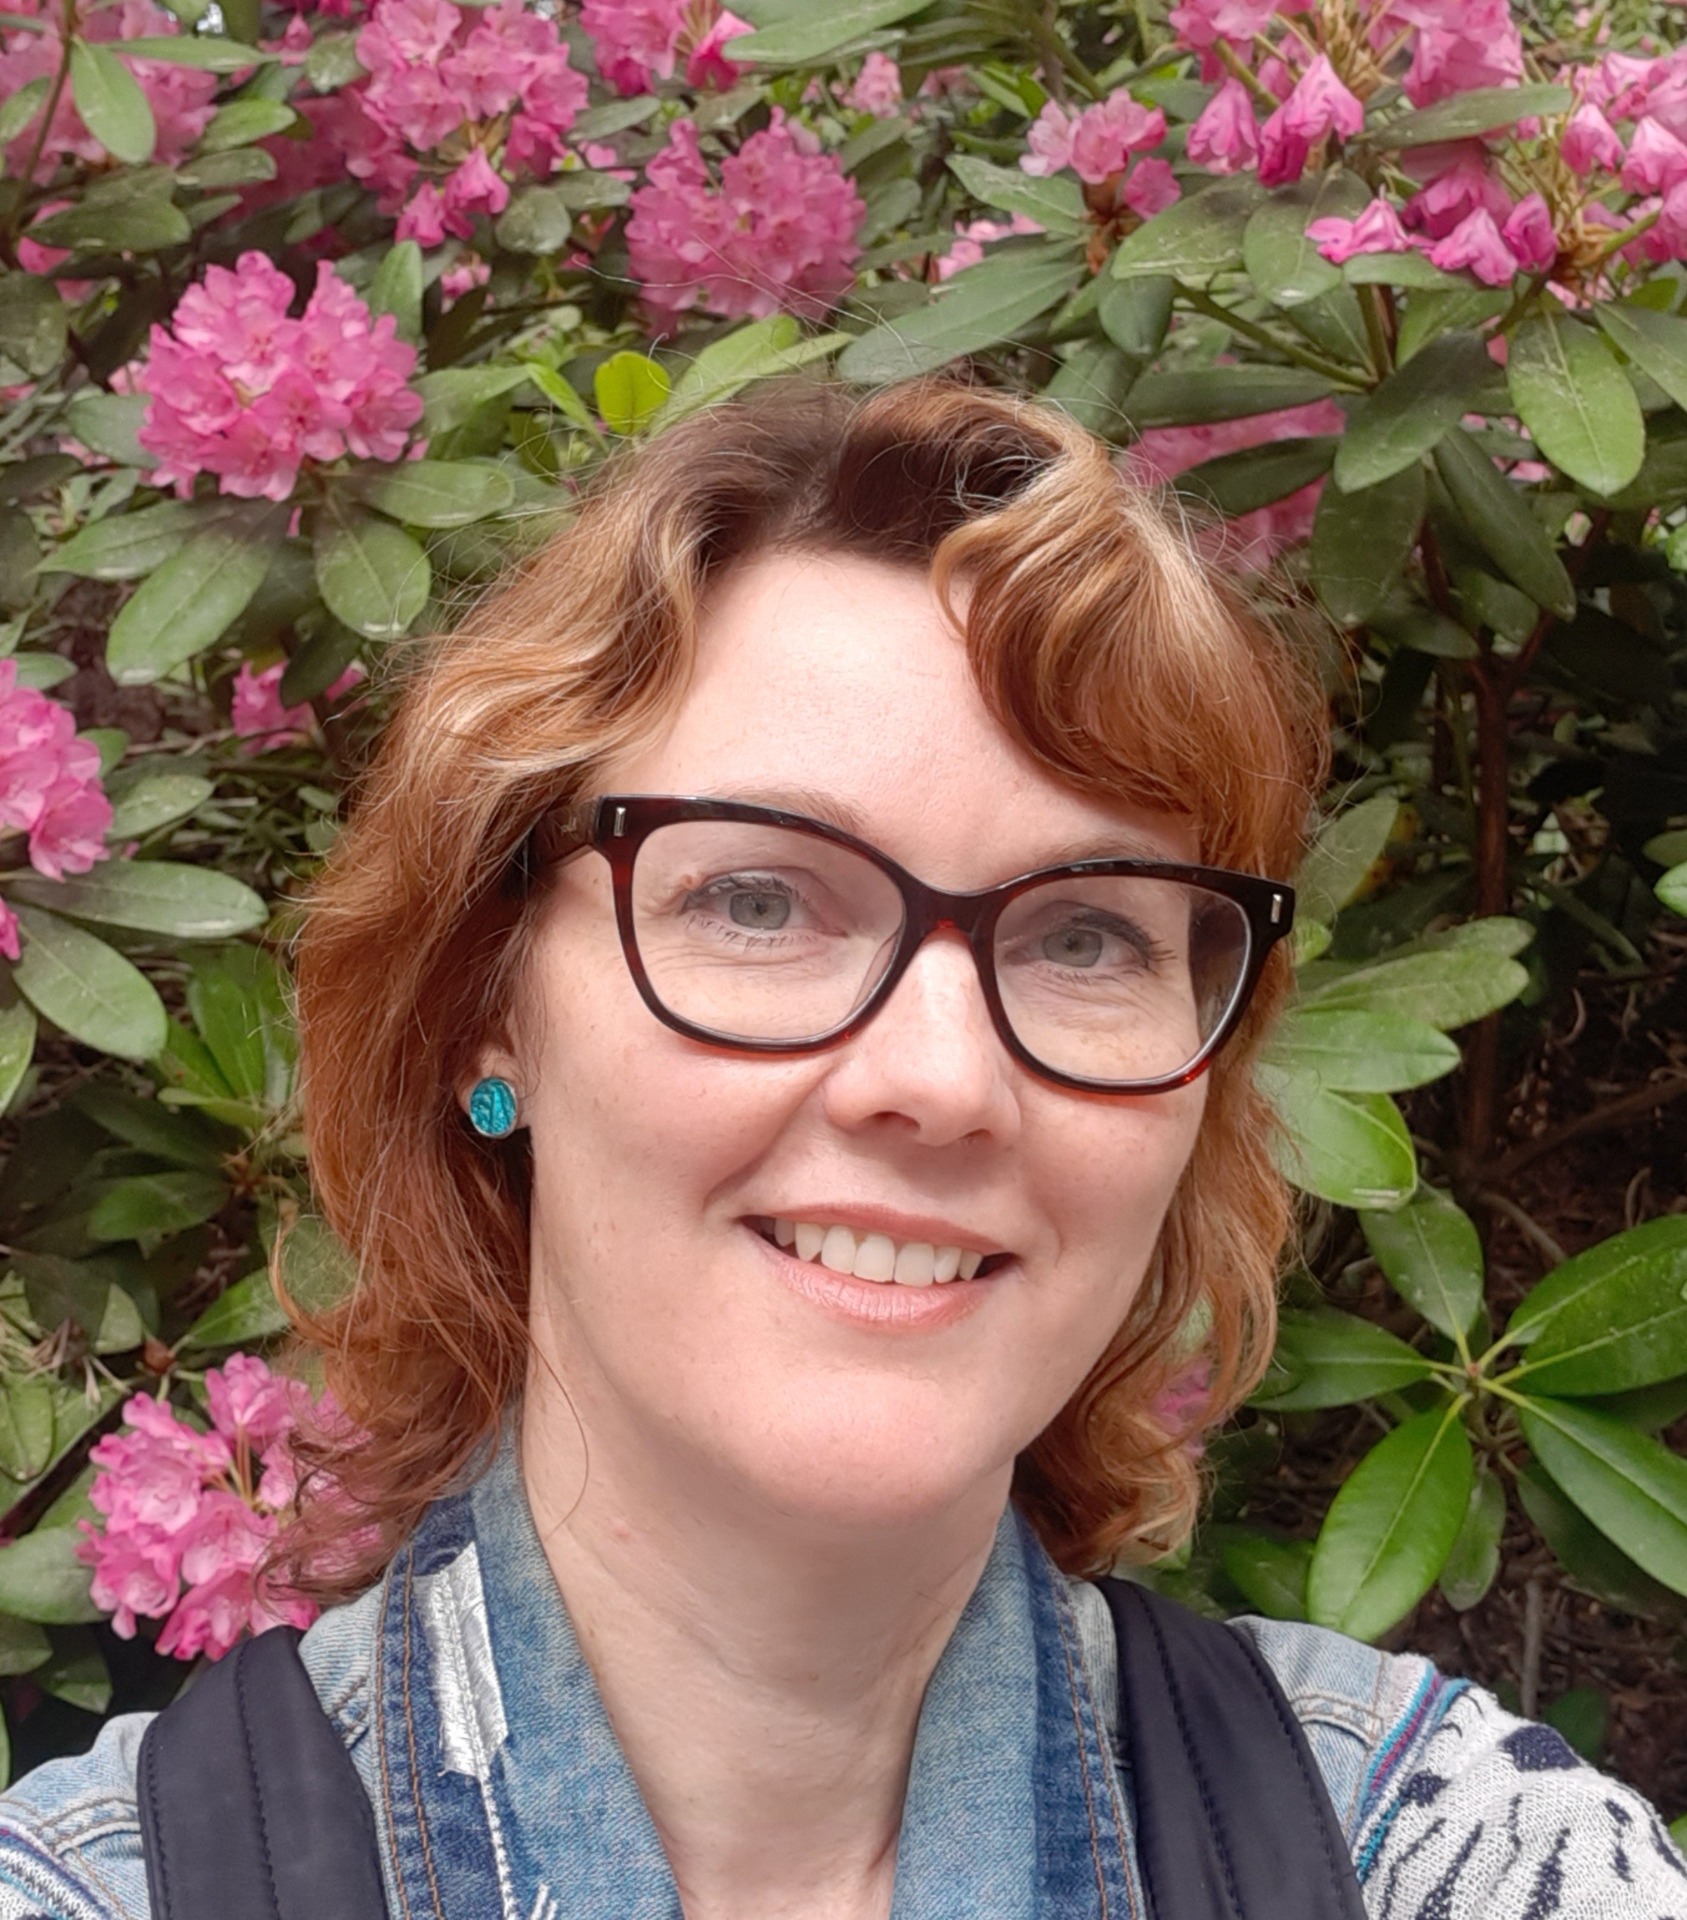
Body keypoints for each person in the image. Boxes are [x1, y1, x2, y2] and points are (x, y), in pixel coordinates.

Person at [0, 380, 1680, 1920]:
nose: (941, 1080)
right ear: (481, 1013)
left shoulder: (1449, 1856)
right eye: (756, 898)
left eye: (1089, 934)